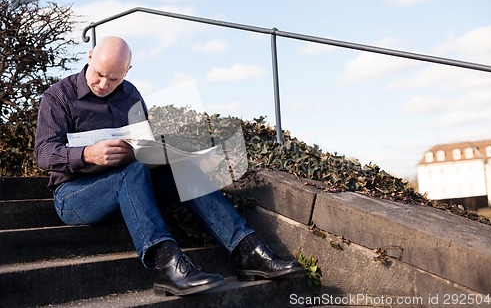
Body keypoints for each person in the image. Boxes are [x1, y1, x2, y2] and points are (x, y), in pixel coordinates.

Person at [34, 36, 303, 296]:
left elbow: (142, 140)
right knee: (132, 172)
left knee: (180, 168)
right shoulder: (58, 97)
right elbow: (44, 153)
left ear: (128, 71)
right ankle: (167, 266)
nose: (104, 84)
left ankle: (248, 251)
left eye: (114, 78)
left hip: (132, 187)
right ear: (90, 56)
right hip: (74, 195)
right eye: (99, 74)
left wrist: (159, 151)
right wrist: (87, 154)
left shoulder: (131, 96)